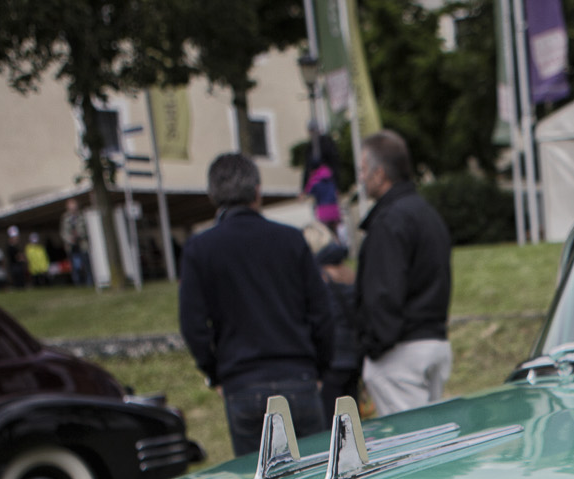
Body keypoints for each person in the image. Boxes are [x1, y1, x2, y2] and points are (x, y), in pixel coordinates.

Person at [178, 152, 335, 455]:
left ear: (213, 195)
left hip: (242, 381)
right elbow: (322, 311)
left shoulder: (201, 249)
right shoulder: (291, 241)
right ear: (257, 190)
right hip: (298, 375)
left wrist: (214, 371)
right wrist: (320, 366)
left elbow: (193, 324)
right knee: (315, 477)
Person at [352, 130, 453, 417]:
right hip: (433, 340)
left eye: (363, 170)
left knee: (413, 449)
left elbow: (382, 293)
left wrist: (373, 348)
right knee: (430, 439)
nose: (361, 178)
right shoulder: (427, 214)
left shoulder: (389, 221)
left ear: (380, 173)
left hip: (400, 352)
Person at [314, 240, 361, 419]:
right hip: (354, 359)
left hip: (333, 361)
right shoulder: (352, 280)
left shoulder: (325, 283)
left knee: (331, 419)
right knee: (352, 416)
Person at [302, 132, 346, 242]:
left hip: (322, 209)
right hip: (333, 207)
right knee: (335, 230)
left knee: (324, 234)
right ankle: (340, 247)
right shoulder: (330, 176)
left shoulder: (315, 181)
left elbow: (309, 192)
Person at [61, 199, 92, 287]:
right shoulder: (65, 218)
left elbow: (87, 230)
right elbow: (63, 233)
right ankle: (78, 284)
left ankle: (89, 283)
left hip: (82, 245)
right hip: (72, 247)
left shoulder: (82, 216)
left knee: (86, 265)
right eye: (71, 207)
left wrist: (80, 234)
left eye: (74, 206)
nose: (73, 208)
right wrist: (70, 239)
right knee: (75, 267)